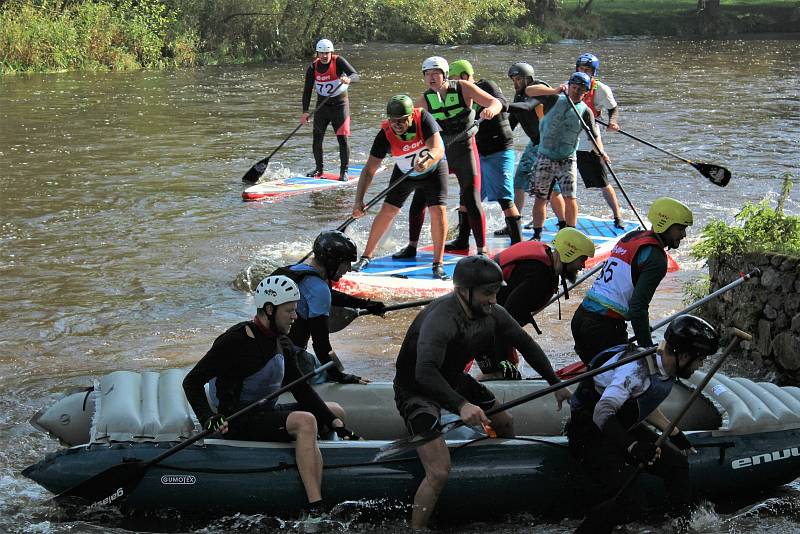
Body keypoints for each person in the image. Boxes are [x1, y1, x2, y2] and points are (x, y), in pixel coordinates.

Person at [393, 255, 570, 528]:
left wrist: (555, 384)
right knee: (439, 472)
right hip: (417, 390)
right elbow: (424, 372)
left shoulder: (493, 313)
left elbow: (526, 345)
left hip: (454, 380)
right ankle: (416, 529)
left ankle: (502, 490)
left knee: (505, 421)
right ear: (464, 291)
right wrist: (462, 405)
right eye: (488, 293)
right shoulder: (441, 319)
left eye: (497, 291)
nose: (494, 300)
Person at [182, 275, 363, 516]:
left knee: (335, 410)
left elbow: (301, 389)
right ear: (269, 309)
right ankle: (315, 509)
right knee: (305, 421)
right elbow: (192, 382)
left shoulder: (282, 343)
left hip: (263, 413)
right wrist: (208, 418)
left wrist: (335, 423)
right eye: (289, 310)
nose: (295, 317)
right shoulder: (235, 341)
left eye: (295, 310)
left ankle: (317, 466)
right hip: (237, 419)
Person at [567, 314, 720, 533]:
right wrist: (634, 447)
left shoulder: (664, 365)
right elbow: (602, 412)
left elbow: (641, 402)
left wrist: (674, 433)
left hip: (622, 426)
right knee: (633, 503)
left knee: (677, 465)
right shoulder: (635, 371)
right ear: (684, 356)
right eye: (700, 358)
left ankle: (682, 526)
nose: (701, 364)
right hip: (590, 434)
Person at [571, 197, 693, 363]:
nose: (684, 235)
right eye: (680, 228)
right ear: (665, 224)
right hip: (602, 327)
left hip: (581, 318)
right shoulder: (657, 259)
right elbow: (638, 307)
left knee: (597, 378)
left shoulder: (633, 237)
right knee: (627, 379)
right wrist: (647, 348)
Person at [349, 95, 449, 280]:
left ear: (411, 116)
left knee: (438, 210)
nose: (398, 124)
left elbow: (438, 149)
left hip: (434, 170)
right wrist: (358, 201)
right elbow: (369, 170)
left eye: (402, 120)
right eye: (393, 120)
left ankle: (438, 264)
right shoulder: (384, 135)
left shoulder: (424, 119)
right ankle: (365, 257)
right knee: (388, 211)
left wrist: (426, 161)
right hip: (405, 173)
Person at [478, 227, 596, 379]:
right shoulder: (539, 278)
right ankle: (467, 399)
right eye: (582, 259)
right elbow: (505, 319)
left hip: (490, 319)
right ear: (569, 254)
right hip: (479, 323)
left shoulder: (546, 262)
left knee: (511, 364)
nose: (583, 266)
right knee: (499, 373)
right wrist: (501, 359)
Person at [272, 230, 385, 383]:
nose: (349, 270)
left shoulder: (293, 271)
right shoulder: (320, 289)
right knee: (329, 370)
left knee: (323, 364)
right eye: (346, 263)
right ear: (332, 261)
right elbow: (321, 345)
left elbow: (325, 295)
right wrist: (340, 377)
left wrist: (366, 304)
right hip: (290, 361)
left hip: (267, 352)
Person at [417, 56, 502, 255]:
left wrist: (490, 110)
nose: (431, 78)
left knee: (472, 198)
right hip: (441, 154)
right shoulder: (423, 101)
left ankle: (481, 250)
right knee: (421, 198)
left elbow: (495, 102)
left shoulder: (464, 87)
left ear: (445, 75)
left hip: (465, 150)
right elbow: (412, 128)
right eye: (427, 74)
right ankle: (412, 247)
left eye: (435, 73)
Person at [525, 72, 609, 240]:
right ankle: (537, 235)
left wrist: (601, 152)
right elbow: (529, 90)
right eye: (574, 87)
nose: (575, 92)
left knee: (570, 197)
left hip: (567, 159)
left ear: (585, 93)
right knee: (541, 198)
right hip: (545, 156)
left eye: (580, 90)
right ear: (569, 86)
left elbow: (594, 136)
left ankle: (570, 234)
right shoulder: (553, 99)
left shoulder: (585, 112)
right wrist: (554, 90)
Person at [448, 59, 523, 244]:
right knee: (466, 196)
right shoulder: (457, 96)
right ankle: (462, 240)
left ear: (465, 76)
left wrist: (491, 109)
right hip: (477, 152)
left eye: (455, 79)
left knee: (504, 198)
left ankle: (518, 243)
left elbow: (503, 103)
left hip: (499, 149)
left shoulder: (486, 85)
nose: (453, 84)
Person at [494, 62, 562, 237]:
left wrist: (502, 105)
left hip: (550, 146)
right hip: (534, 145)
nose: (515, 83)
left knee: (552, 190)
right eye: (513, 80)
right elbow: (512, 122)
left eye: (518, 79)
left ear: (528, 79)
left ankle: (565, 226)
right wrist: (492, 134)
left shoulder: (538, 92)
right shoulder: (519, 96)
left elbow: (526, 107)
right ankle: (514, 223)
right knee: (518, 182)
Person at [574, 53, 625, 229]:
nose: (583, 72)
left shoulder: (601, 89)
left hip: (590, 144)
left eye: (587, 70)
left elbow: (613, 108)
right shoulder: (569, 87)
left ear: (594, 72)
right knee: (558, 183)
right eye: (581, 69)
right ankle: (561, 218)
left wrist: (613, 122)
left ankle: (618, 215)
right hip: (569, 143)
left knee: (603, 182)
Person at [300, 39, 358, 182]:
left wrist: (349, 79)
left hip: (340, 106)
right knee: (317, 139)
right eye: (322, 53)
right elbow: (307, 90)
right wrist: (305, 111)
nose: (325, 56)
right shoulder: (313, 68)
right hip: (322, 107)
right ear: (317, 53)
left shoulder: (338, 61)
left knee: (342, 139)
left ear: (331, 52)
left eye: (327, 53)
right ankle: (319, 169)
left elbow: (355, 75)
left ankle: (343, 172)